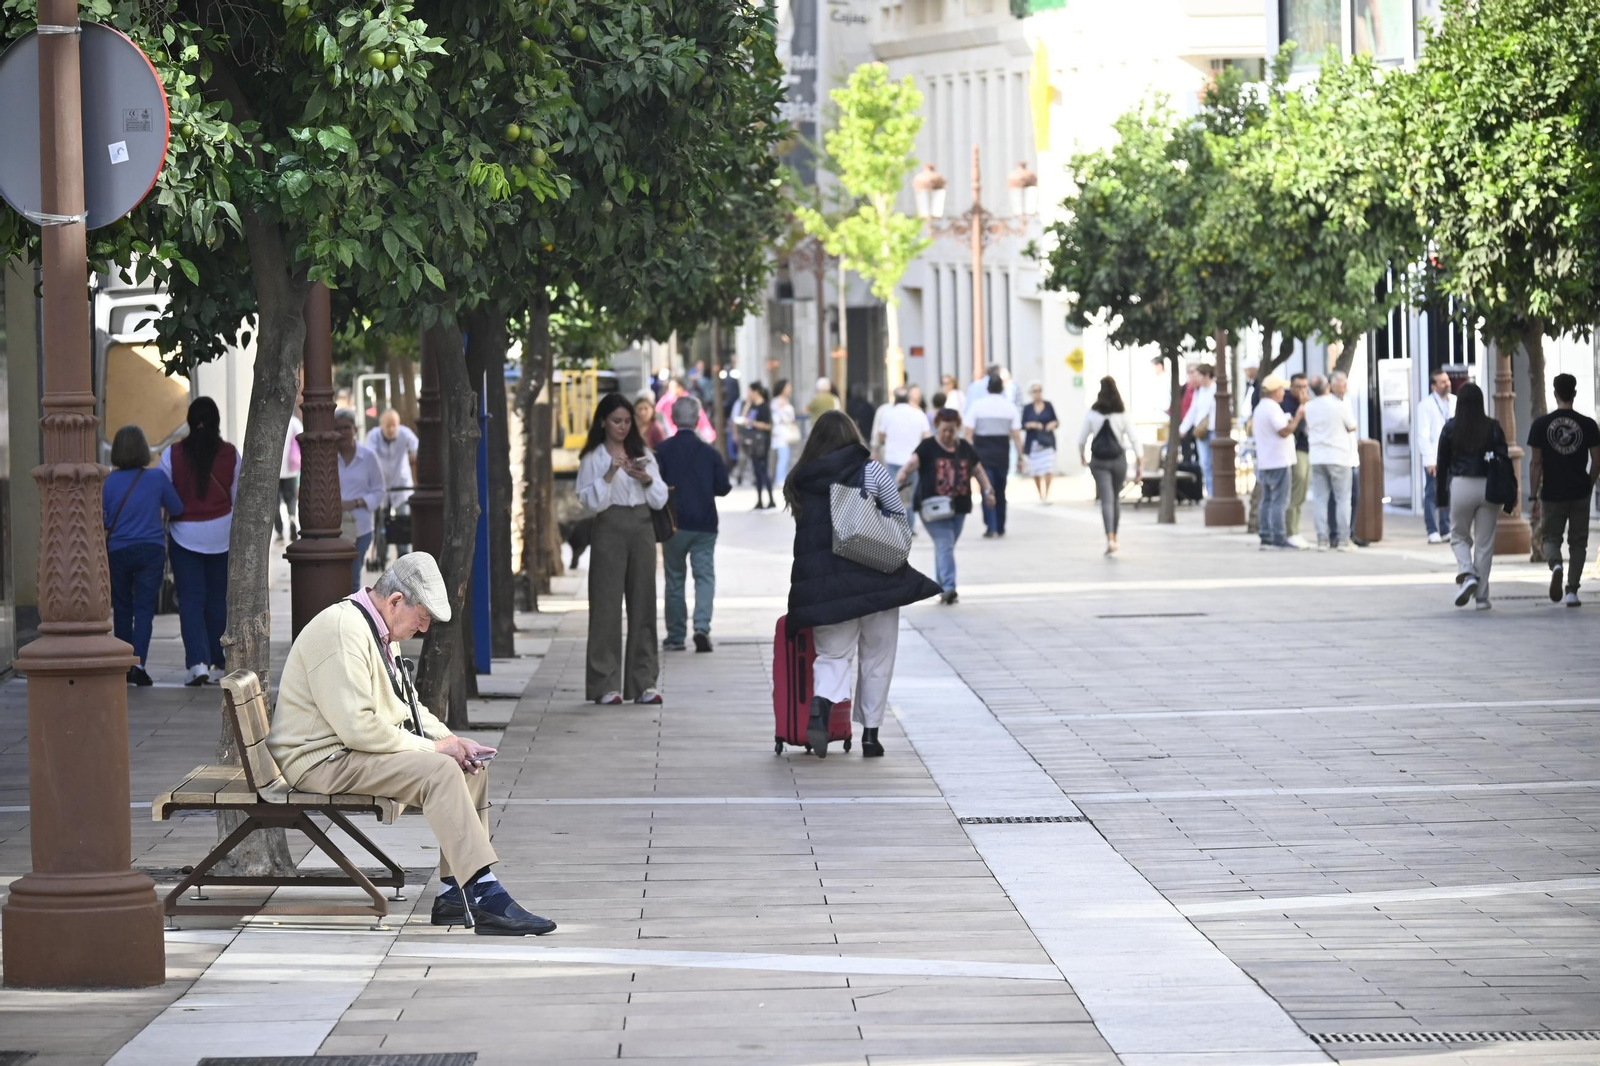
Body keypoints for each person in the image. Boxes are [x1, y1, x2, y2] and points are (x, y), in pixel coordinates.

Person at [267, 552, 555, 936]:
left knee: (467, 768)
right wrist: (436, 750)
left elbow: (406, 706)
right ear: (396, 601)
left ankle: (455, 894)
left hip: (348, 751)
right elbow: (357, 728)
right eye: (421, 620)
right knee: (438, 769)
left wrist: (451, 741)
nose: (422, 630)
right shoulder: (343, 630)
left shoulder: (378, 627)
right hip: (322, 760)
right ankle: (485, 895)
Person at [783, 411, 940, 758]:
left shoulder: (799, 479)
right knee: (877, 656)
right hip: (877, 577)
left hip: (824, 588)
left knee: (832, 654)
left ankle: (821, 705)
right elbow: (898, 516)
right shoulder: (871, 470)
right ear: (852, 435)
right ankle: (870, 735)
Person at [576, 393, 668, 704]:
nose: (623, 427)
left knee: (644, 604)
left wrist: (644, 478)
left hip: (642, 526)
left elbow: (660, 498)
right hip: (609, 527)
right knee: (605, 606)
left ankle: (644, 682)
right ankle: (606, 684)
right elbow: (589, 501)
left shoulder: (642, 452)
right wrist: (610, 474)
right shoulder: (593, 457)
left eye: (628, 421)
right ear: (603, 422)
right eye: (617, 421)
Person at [161, 397, 240, 686]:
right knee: (218, 600)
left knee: (191, 601)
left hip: (184, 536)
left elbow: (166, 495)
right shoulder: (230, 453)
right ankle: (220, 662)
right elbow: (236, 496)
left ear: (189, 421)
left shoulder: (172, 455)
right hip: (221, 534)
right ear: (217, 422)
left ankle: (197, 664)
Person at [104, 425, 184, 686]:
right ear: (142, 450)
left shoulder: (108, 481)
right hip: (151, 550)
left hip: (118, 550)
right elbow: (177, 507)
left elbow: (102, 520)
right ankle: (139, 664)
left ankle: (123, 665)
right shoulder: (157, 479)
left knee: (123, 608)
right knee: (145, 610)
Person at [896, 408, 995, 603]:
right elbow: (911, 464)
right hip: (931, 508)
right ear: (936, 428)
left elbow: (978, 471)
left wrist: (988, 491)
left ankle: (940, 586)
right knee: (945, 544)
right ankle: (949, 587)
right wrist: (901, 475)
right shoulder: (927, 446)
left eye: (952, 430)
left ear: (958, 428)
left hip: (958, 507)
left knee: (945, 547)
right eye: (944, 431)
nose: (948, 435)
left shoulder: (964, 447)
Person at [656, 397, 731, 652]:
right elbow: (723, 488)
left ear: (673, 419)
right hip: (704, 524)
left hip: (673, 524)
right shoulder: (709, 453)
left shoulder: (662, 451)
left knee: (675, 579)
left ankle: (676, 636)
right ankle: (701, 626)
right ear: (699, 419)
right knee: (704, 576)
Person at [1527, 373, 1600, 607]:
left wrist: (1533, 496)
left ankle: (1556, 564)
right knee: (1578, 542)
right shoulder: (1588, 424)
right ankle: (1572, 592)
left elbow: (1535, 463)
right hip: (1579, 490)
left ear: (1555, 393)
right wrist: (1589, 482)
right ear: (1574, 393)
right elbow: (1597, 460)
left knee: (1550, 537)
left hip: (1552, 491)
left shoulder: (1541, 425)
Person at [1437, 383, 1511, 609]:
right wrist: (1510, 493)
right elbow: (1504, 459)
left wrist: (1441, 497)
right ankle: (1481, 597)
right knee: (1484, 543)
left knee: (1458, 535)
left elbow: (1442, 465)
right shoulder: (1493, 427)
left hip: (1461, 485)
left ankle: (1467, 572)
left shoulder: (1450, 428)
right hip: (1489, 487)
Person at [1078, 377, 1142, 555]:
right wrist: (1140, 460)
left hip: (1099, 461)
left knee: (1106, 499)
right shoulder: (1122, 412)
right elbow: (1134, 438)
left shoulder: (1093, 412)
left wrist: (1082, 455)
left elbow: (1081, 438)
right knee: (1115, 499)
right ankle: (1116, 537)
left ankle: (1110, 538)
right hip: (1118, 459)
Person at [963, 374, 1025, 538]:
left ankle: (991, 525)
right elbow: (1017, 435)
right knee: (1001, 490)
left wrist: (968, 454)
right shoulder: (1009, 407)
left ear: (987, 388)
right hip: (1002, 453)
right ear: (1002, 388)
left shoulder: (978, 406)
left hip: (981, 453)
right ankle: (1001, 525)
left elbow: (968, 433)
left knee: (986, 488)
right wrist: (1020, 457)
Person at [335, 409, 386, 593]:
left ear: (355, 429)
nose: (342, 432)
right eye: (338, 428)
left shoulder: (368, 457)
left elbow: (379, 491)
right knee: (336, 575)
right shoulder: (328, 457)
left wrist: (356, 502)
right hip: (334, 526)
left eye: (346, 427)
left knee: (352, 576)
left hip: (361, 528)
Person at [1305, 374, 1359, 552]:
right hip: (1338, 456)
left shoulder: (1309, 407)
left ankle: (1322, 540)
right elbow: (1352, 426)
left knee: (1320, 499)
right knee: (1343, 498)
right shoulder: (1338, 405)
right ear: (1327, 386)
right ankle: (1343, 539)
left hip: (1317, 456)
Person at [1253, 375, 1305, 550]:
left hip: (1266, 460)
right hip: (1278, 461)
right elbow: (1284, 431)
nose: (1284, 392)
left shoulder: (1261, 408)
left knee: (1267, 500)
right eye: (1282, 389)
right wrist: (1297, 417)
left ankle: (1266, 536)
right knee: (1279, 501)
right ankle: (1278, 536)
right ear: (1275, 391)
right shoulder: (1272, 408)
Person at [364, 408, 418, 560]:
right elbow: (370, 455)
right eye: (388, 425)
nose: (391, 429)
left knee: (403, 521)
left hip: (401, 485)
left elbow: (418, 448)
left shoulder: (405, 433)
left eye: (394, 425)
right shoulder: (373, 436)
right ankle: (383, 553)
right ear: (381, 425)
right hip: (382, 486)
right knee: (382, 521)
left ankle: (404, 555)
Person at [875, 387, 931, 526]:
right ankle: (910, 525)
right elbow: (927, 436)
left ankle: (897, 524)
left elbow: (881, 436)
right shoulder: (918, 414)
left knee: (895, 493)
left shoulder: (888, 414)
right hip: (912, 460)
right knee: (910, 494)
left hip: (893, 459)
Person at [1416, 369, 1456, 543]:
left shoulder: (1455, 401)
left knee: (1449, 492)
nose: (1447, 384)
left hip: (1453, 455)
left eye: (1447, 380)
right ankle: (1432, 530)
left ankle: (1446, 528)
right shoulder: (1426, 405)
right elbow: (1423, 435)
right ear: (1433, 386)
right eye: (1442, 382)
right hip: (1435, 456)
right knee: (1432, 493)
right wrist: (1430, 460)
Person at [1281, 373, 1313, 548]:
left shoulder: (1307, 403)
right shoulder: (1287, 402)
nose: (1302, 390)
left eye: (1305, 387)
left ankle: (1295, 530)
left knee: (1303, 489)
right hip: (1296, 448)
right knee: (1297, 486)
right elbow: (1293, 428)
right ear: (1291, 387)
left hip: (1308, 448)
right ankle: (1290, 531)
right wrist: (1301, 408)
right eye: (1299, 387)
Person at [1178, 365, 1216, 496]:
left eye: (1198, 375)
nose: (1196, 378)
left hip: (1213, 430)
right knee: (1205, 463)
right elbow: (1193, 411)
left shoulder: (1215, 389)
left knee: (1214, 463)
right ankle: (1211, 493)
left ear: (1206, 375)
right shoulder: (1199, 392)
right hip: (1201, 432)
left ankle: (1214, 492)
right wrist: (1183, 428)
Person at [1022, 383, 1060, 501]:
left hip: (1047, 441)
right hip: (1033, 442)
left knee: (1048, 468)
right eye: (1035, 391)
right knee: (1036, 470)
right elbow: (1022, 424)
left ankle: (1047, 494)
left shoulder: (1048, 405)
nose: (1037, 393)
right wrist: (1033, 424)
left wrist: (1051, 424)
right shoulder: (1027, 408)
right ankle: (1040, 494)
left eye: (1039, 390)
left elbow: (1056, 421)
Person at [743, 383, 776, 510]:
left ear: (756, 391)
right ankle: (760, 500)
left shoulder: (764, 407)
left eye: (750, 391)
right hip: (752, 441)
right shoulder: (751, 405)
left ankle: (771, 499)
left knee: (763, 470)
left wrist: (753, 423)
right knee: (756, 470)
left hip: (763, 442)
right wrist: (748, 403)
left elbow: (768, 426)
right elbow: (744, 418)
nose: (748, 393)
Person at [275, 411, 303, 542]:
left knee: (275, 503)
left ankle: (279, 532)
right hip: (290, 468)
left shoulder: (272, 421)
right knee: (291, 498)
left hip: (274, 471)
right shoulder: (294, 422)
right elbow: (302, 439)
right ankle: (292, 519)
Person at [771, 379, 799, 486]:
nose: (789, 389)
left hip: (788, 431)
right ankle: (780, 478)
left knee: (786, 457)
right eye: (788, 386)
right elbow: (778, 417)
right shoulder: (777, 401)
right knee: (783, 456)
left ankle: (784, 477)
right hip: (781, 432)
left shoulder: (785, 400)